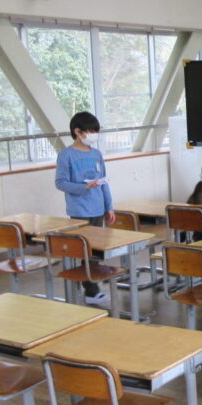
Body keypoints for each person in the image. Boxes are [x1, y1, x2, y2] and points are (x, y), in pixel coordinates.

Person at [55, 111, 115, 306]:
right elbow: (61, 183)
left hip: (98, 209)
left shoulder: (97, 154)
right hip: (79, 211)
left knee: (95, 251)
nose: (93, 135)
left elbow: (104, 182)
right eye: (90, 131)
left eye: (95, 131)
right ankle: (89, 289)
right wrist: (84, 187)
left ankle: (91, 287)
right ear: (77, 132)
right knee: (82, 251)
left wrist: (109, 207)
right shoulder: (66, 155)